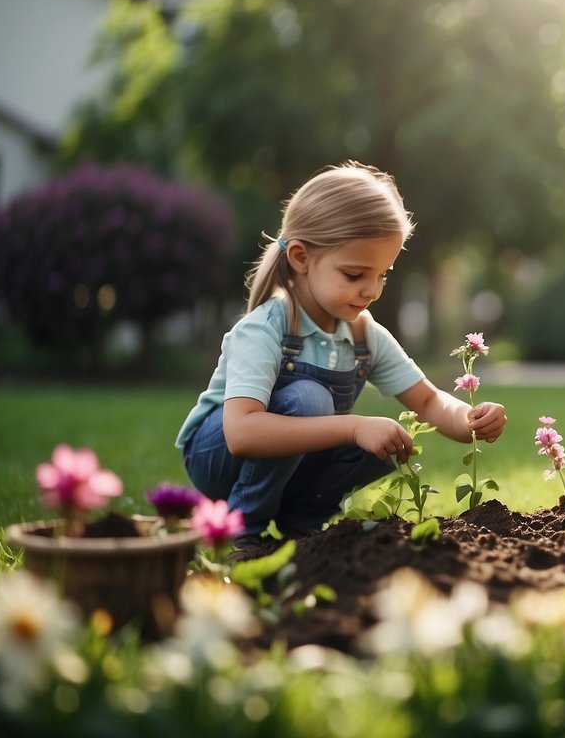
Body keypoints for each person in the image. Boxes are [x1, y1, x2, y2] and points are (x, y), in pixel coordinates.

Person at [177, 161, 507, 545]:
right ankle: (241, 534)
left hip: (288, 460)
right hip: (217, 458)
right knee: (311, 398)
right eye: (355, 275)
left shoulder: (365, 335)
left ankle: (302, 529)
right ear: (301, 258)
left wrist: (470, 419)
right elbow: (241, 433)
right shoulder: (266, 328)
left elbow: (428, 400)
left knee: (387, 441)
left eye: (382, 274)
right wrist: (353, 427)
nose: (372, 291)